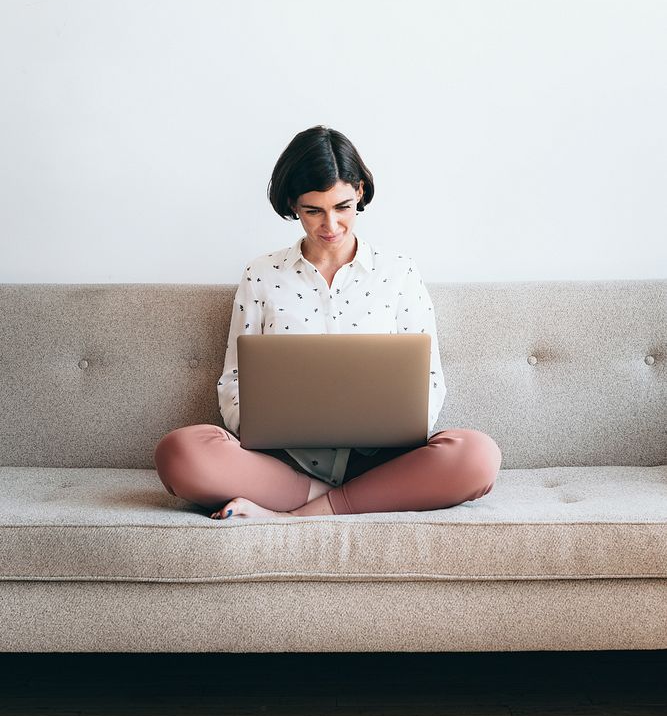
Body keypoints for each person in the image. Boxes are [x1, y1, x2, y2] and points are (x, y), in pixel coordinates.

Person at [154, 125, 502, 519]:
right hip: (283, 465)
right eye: (313, 211)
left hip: (383, 463)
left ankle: (295, 514)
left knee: (478, 456)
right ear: (292, 205)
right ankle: (333, 500)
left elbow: (430, 383)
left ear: (360, 193)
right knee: (180, 452)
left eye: (343, 207)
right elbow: (233, 384)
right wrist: (268, 424)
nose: (331, 227)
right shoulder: (262, 274)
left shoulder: (399, 271)